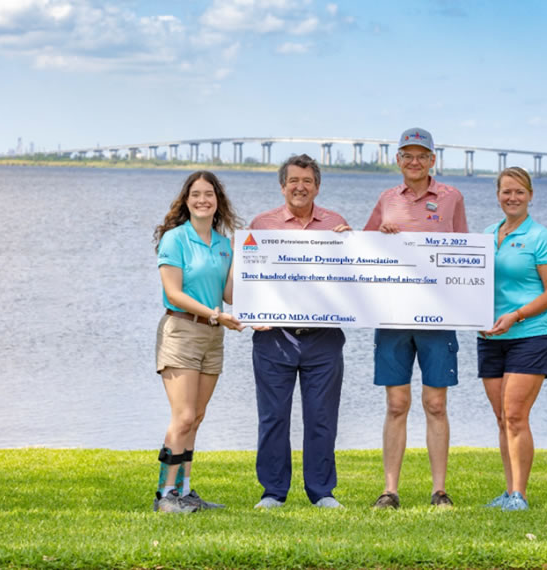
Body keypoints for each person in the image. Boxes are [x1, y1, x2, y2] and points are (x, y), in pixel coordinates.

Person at [364, 128, 468, 509]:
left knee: (436, 404)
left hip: (437, 317)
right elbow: (364, 249)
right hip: (392, 316)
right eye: (407, 155)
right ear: (398, 160)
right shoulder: (386, 199)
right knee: (396, 403)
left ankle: (439, 490)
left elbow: (464, 252)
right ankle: (389, 490)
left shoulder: (452, 197)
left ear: (433, 160)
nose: (414, 161)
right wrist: (380, 233)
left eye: (421, 155)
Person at [249, 154, 351, 509]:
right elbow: (249, 279)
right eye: (293, 180)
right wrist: (249, 311)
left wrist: (354, 246)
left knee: (321, 417)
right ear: (282, 186)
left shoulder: (337, 224)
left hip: (323, 338)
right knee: (273, 416)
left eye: (307, 181)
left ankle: (322, 491)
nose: (300, 187)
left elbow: (353, 281)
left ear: (317, 187)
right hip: (273, 336)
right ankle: (273, 492)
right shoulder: (261, 225)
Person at [152, 171, 244, 513]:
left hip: (213, 335)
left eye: (209, 194)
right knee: (183, 416)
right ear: (186, 200)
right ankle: (165, 495)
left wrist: (239, 259)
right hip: (181, 332)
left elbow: (229, 295)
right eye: (196, 194)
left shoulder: (222, 245)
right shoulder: (175, 239)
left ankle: (186, 491)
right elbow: (173, 292)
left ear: (218, 201)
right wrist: (216, 315)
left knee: (198, 416)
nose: (203, 199)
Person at [479, 166, 547, 512]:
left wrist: (516, 315)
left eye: (519, 192)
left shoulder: (542, 237)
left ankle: (521, 495)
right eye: (506, 192)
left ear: (530, 195)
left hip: (531, 334)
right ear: (497, 195)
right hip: (491, 337)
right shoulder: (488, 234)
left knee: (515, 415)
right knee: (502, 417)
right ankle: (508, 491)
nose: (512, 198)